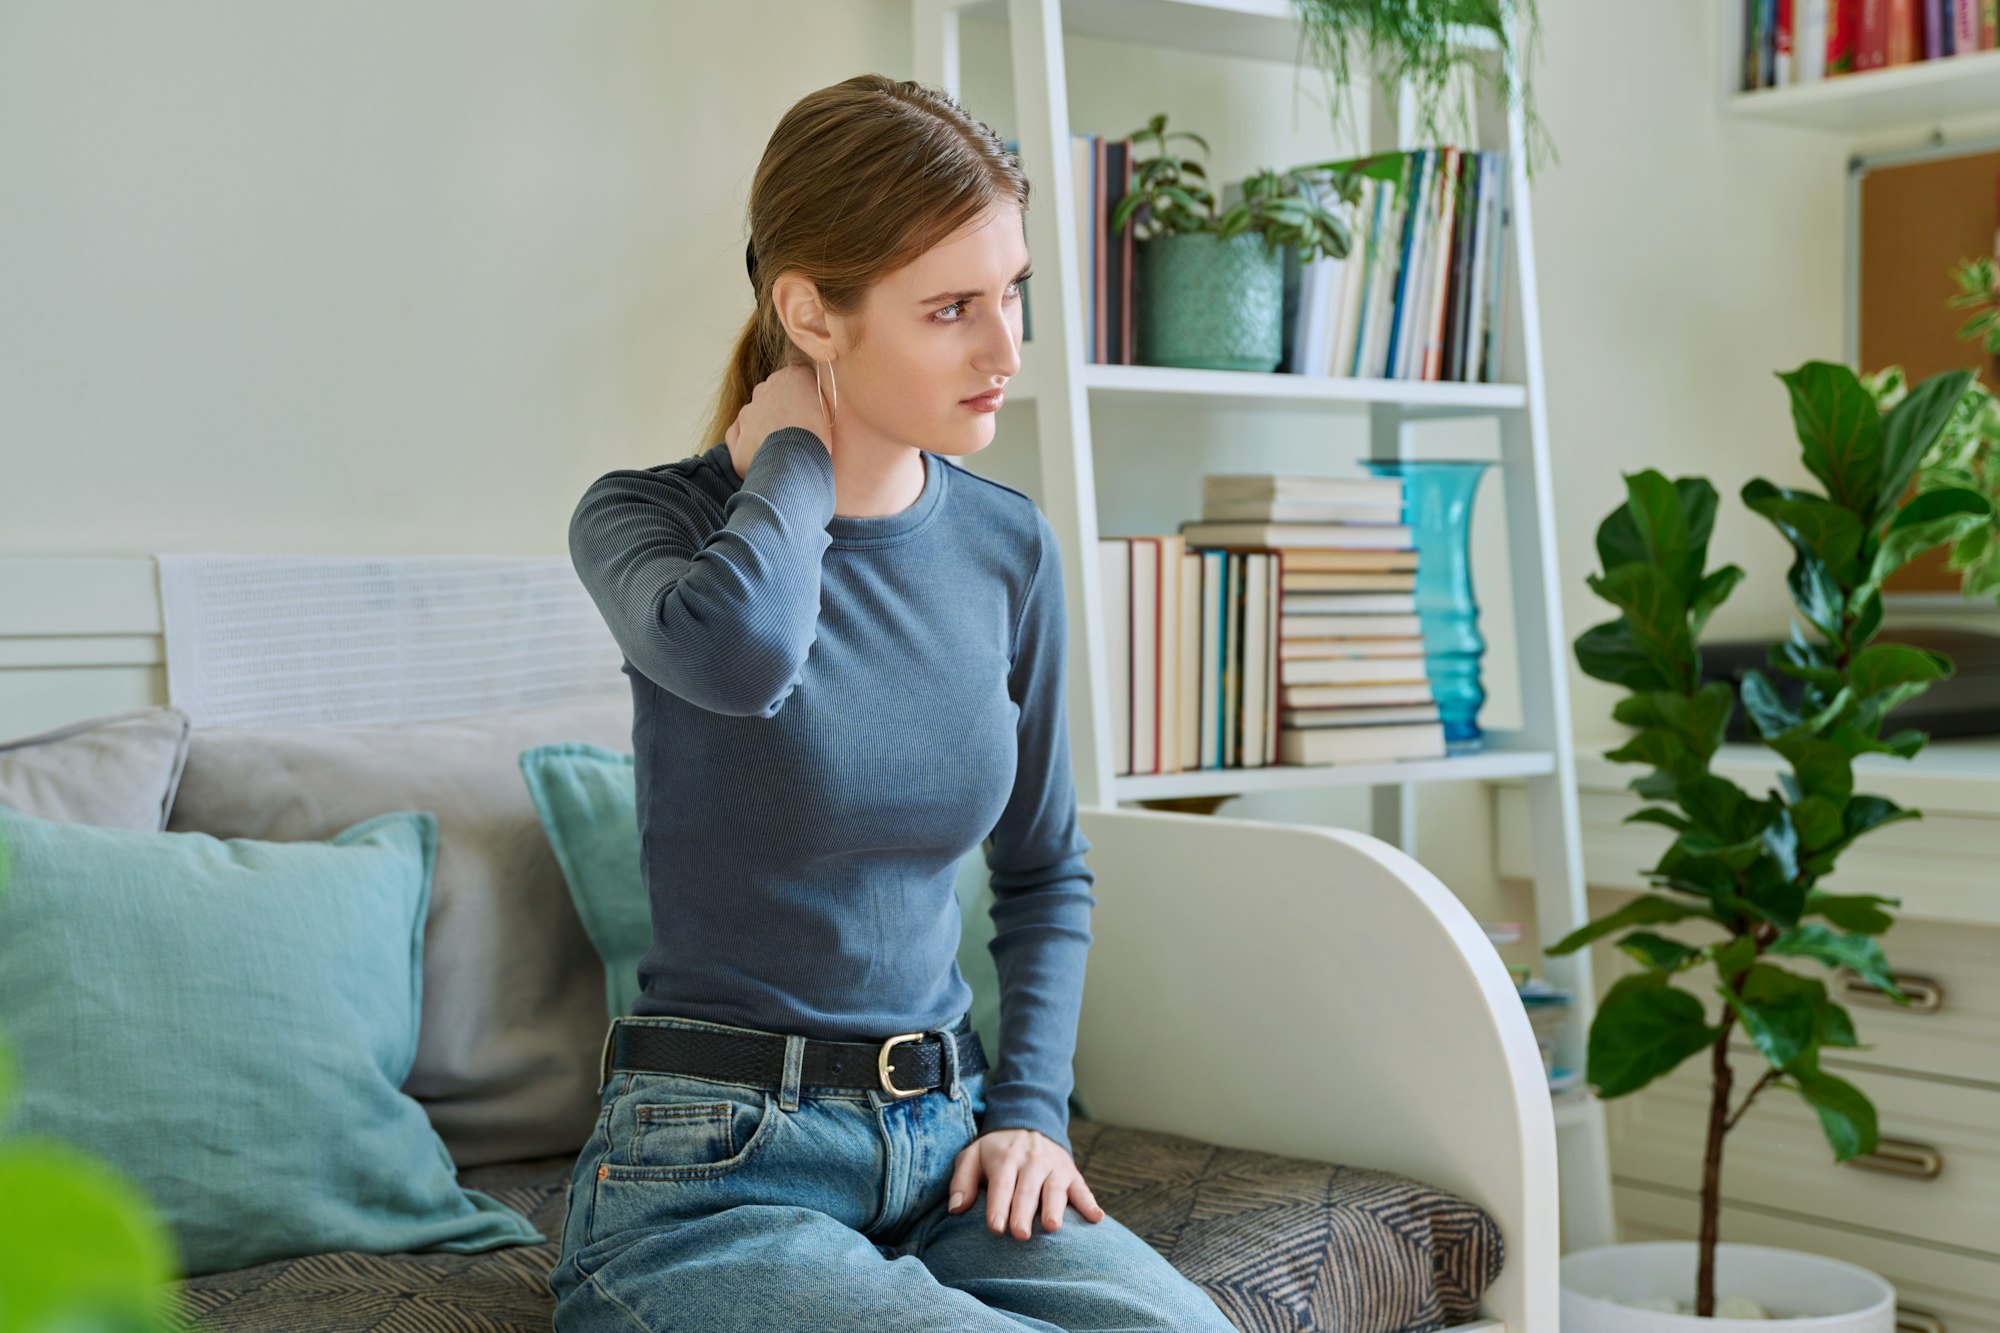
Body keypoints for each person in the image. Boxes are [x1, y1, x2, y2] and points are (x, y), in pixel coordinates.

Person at [545, 74, 1236, 1332]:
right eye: (951, 309)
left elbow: (1044, 867)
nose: (1005, 349)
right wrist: (795, 457)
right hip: (713, 1178)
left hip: (947, 1147)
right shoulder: (645, 521)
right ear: (810, 312)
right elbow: (745, 656)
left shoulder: (1005, 547)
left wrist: (1029, 1111)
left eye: (1011, 289)